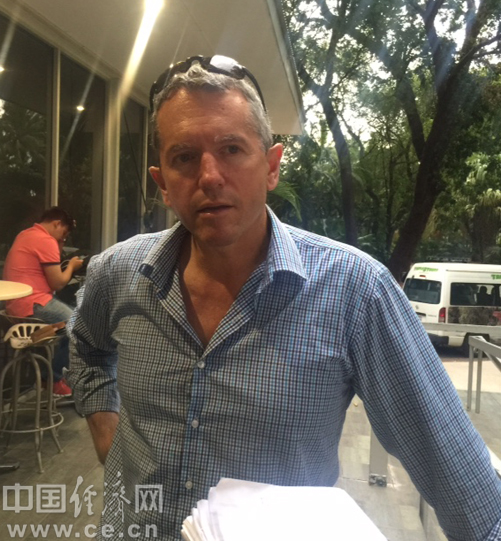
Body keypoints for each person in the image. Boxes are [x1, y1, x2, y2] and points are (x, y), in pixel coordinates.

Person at [68, 55, 501, 540]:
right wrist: (104, 423)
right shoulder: (118, 273)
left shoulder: (356, 293)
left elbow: (469, 492)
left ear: (271, 166)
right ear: (163, 184)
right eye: (184, 157)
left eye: (232, 149)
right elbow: (85, 346)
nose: (209, 176)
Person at [4, 207, 84, 397]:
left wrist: (60, 240)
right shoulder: (45, 240)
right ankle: (53, 380)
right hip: (32, 303)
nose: (62, 239)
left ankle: (51, 377)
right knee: (79, 324)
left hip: (15, 305)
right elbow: (58, 283)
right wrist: (72, 266)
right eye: (63, 234)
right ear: (57, 224)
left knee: (74, 316)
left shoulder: (25, 234)